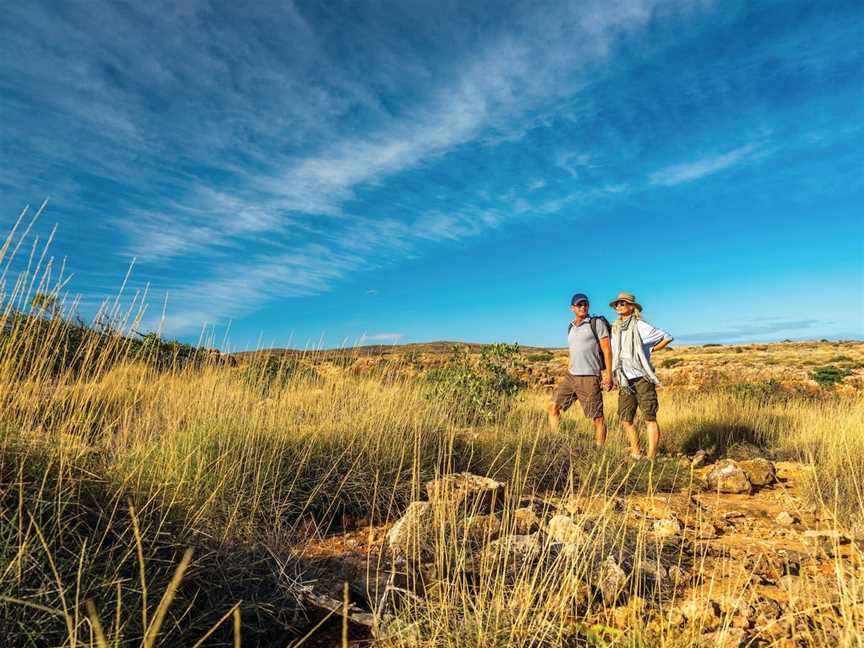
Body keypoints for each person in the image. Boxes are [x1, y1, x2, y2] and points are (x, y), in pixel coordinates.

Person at [608, 292, 673, 460]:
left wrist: (649, 349)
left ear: (632, 307)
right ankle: (636, 453)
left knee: (649, 417)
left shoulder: (640, 326)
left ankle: (651, 457)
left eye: (623, 303)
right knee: (625, 418)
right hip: (624, 379)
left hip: (642, 377)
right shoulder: (615, 328)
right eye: (618, 304)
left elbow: (667, 337)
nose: (620, 306)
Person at [548, 293, 613, 445]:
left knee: (597, 418)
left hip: (589, 377)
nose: (583, 307)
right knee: (552, 408)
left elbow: (607, 350)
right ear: (572, 308)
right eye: (579, 305)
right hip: (571, 376)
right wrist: (567, 370)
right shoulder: (570, 327)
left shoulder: (596, 323)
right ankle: (555, 443)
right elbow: (572, 351)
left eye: (585, 304)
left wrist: (609, 376)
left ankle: (599, 451)